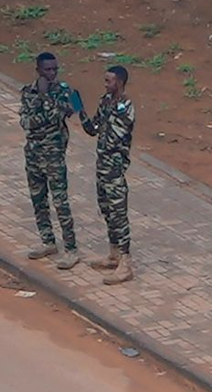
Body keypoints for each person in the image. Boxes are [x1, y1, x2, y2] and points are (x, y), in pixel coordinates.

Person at [19, 51, 80, 269]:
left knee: (61, 202)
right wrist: (48, 110)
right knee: (38, 199)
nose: (52, 73)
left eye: (55, 69)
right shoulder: (28, 92)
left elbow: (69, 111)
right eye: (48, 69)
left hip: (54, 155)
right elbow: (25, 122)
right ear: (38, 70)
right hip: (33, 154)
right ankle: (48, 241)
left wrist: (45, 99)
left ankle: (71, 249)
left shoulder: (65, 91)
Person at [80, 65, 136, 285]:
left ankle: (126, 263)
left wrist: (104, 123)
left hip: (114, 168)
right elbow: (94, 129)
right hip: (102, 166)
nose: (105, 85)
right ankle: (114, 255)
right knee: (106, 210)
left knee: (119, 214)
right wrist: (80, 111)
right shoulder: (105, 101)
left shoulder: (126, 108)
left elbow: (114, 137)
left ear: (119, 82)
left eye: (109, 81)